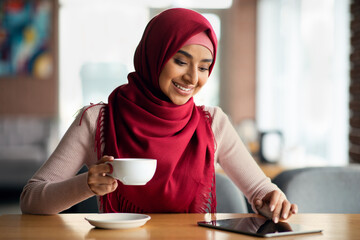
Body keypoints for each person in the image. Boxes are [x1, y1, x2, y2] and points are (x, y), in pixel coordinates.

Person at [20, 8, 297, 222]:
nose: (192, 78)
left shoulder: (213, 123)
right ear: (154, 55)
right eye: (180, 61)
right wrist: (86, 185)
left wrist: (272, 200)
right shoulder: (97, 121)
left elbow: (261, 191)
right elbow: (31, 198)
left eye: (204, 67)